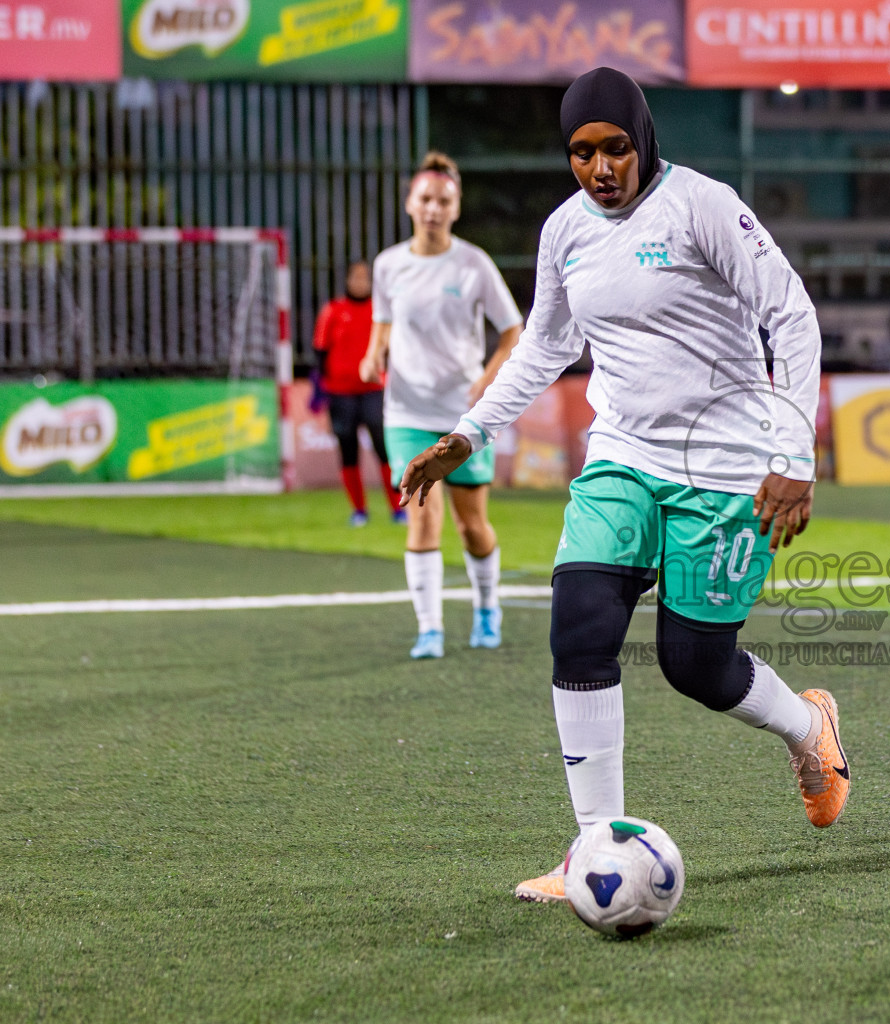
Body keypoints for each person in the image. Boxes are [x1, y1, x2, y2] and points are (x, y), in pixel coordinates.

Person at [399, 67, 848, 903]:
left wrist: (796, 456)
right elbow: (544, 344)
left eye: (613, 149)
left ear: (642, 140)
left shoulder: (702, 206)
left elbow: (790, 314)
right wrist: (468, 433)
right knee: (578, 629)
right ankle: (594, 848)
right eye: (580, 152)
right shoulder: (565, 229)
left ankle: (810, 728)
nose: (599, 168)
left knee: (695, 666)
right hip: (623, 459)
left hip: (725, 470)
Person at [359, 151, 524, 660]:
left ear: (456, 208)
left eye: (443, 201)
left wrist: (487, 379)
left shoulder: (473, 264)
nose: (433, 207)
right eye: (425, 198)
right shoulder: (388, 265)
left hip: (463, 416)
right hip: (406, 412)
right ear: (410, 202)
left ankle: (487, 608)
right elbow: (384, 322)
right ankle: (429, 628)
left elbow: (513, 329)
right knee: (421, 518)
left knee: (471, 525)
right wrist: (372, 354)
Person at [312, 261, 403, 527]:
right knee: (348, 449)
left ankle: (397, 509)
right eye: (356, 278)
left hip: (374, 390)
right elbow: (320, 350)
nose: (361, 283)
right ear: (348, 280)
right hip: (341, 393)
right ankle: (359, 510)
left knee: (384, 449)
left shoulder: (380, 312)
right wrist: (320, 387)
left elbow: (393, 348)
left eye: (366, 278)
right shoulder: (333, 310)